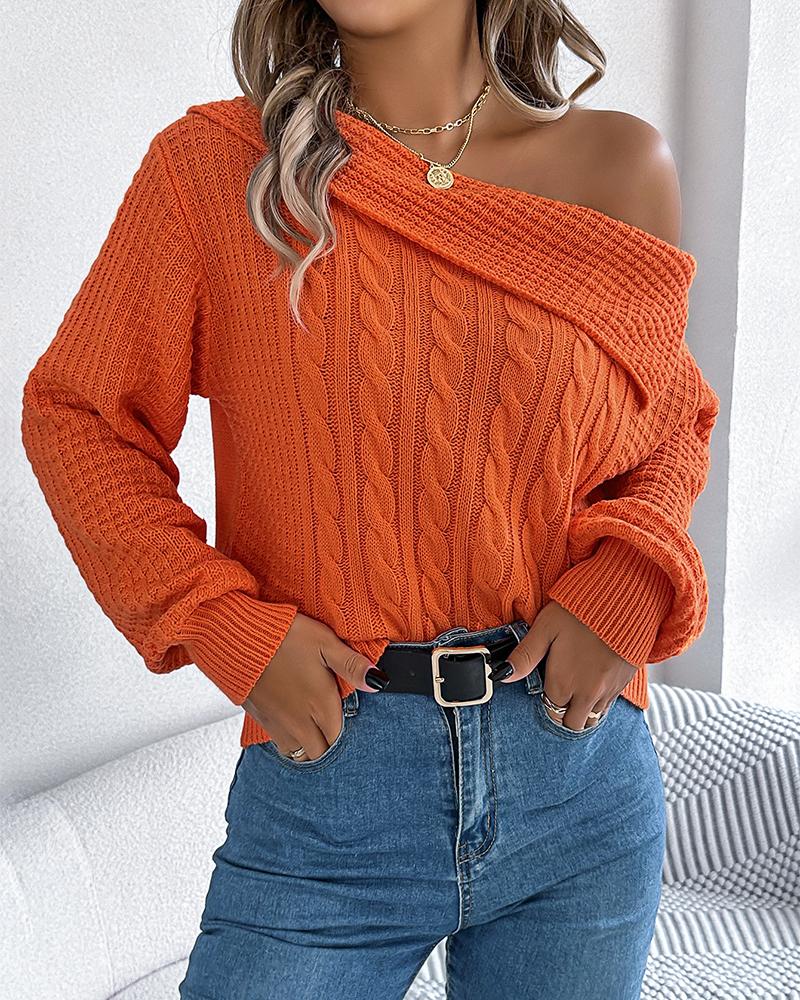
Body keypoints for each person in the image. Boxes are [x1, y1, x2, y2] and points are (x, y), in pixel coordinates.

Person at [20, 1, 720, 997]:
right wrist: (220, 622)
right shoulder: (214, 172)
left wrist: (627, 587)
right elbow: (78, 414)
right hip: (331, 788)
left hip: (577, 777)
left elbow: (669, 426)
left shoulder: (620, 166)